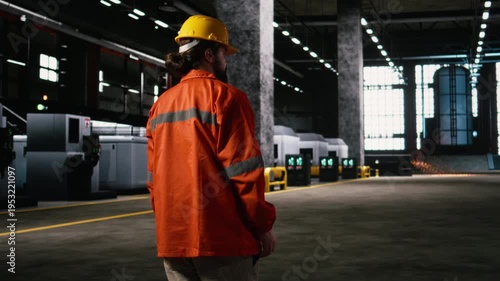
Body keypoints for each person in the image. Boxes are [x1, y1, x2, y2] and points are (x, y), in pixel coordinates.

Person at [146, 15, 277, 281]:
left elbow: (153, 179)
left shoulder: (160, 105)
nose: (226, 59)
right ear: (209, 53)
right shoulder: (226, 97)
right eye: (223, 52)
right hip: (220, 240)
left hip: (174, 240)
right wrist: (262, 226)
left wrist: (169, 226)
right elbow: (244, 171)